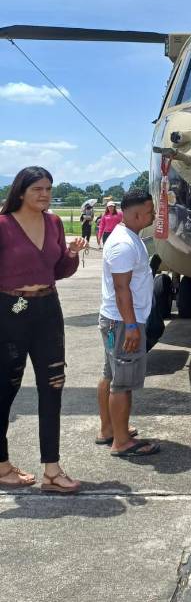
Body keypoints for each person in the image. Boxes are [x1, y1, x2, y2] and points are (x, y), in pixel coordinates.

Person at [0, 166, 87, 492]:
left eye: (49, 188)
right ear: (20, 191)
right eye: (38, 188)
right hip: (13, 307)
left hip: (48, 308)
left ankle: (52, 470)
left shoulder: (53, 223)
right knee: (5, 389)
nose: (45, 194)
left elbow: (58, 269)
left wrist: (72, 254)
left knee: (53, 387)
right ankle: (2, 465)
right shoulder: (4, 225)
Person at [97, 190, 160, 457]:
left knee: (110, 375)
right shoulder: (124, 244)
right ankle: (121, 442)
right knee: (122, 382)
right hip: (124, 322)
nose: (153, 215)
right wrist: (133, 326)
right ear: (136, 214)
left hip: (116, 320)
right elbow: (123, 289)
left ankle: (108, 429)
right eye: (149, 211)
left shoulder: (129, 237)